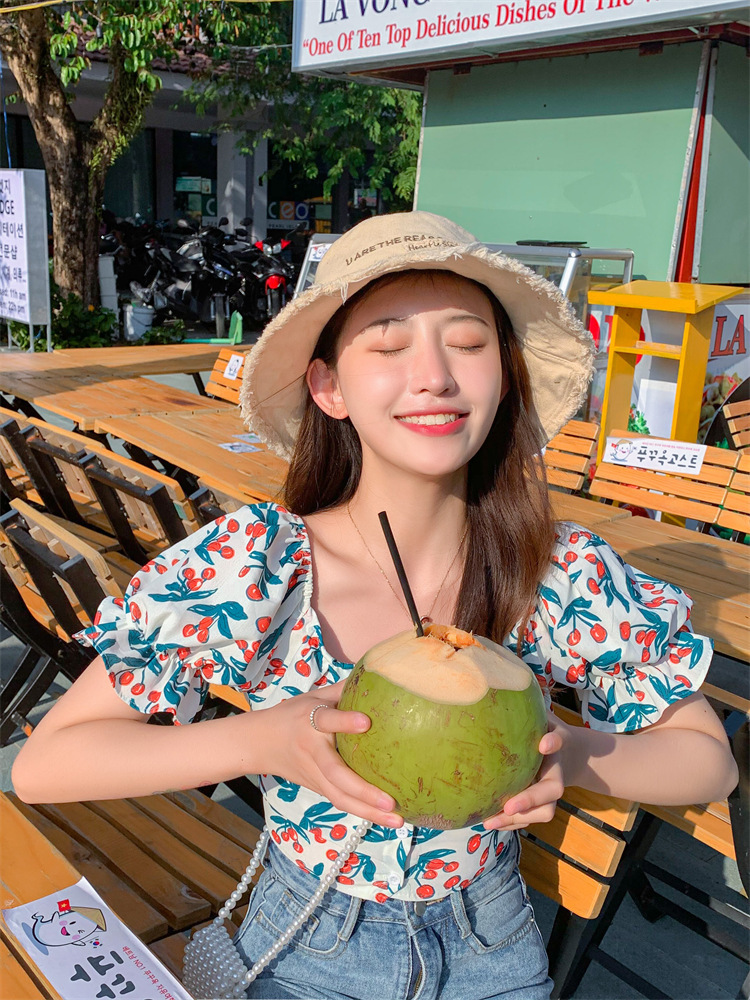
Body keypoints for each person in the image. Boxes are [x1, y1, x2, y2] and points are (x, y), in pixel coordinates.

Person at [12, 212, 738, 1000]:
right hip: (307, 944)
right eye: (389, 347)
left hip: (493, 946)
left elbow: (709, 759)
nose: (435, 377)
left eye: (469, 343)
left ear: (505, 375)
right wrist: (265, 740)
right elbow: (50, 764)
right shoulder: (260, 564)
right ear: (329, 387)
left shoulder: (557, 571)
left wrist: (571, 754)